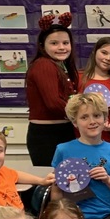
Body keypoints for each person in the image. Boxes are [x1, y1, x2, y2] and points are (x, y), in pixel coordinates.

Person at [25, 13, 79, 166]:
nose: (62, 47)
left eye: (65, 43)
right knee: (52, 181)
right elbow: (54, 103)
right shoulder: (44, 65)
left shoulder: (61, 66)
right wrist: (82, 114)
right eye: (54, 43)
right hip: (48, 135)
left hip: (62, 130)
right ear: (43, 46)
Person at [80, 36, 110, 146]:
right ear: (95, 52)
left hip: (107, 138)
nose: (108, 58)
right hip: (82, 136)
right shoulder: (79, 77)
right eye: (104, 53)